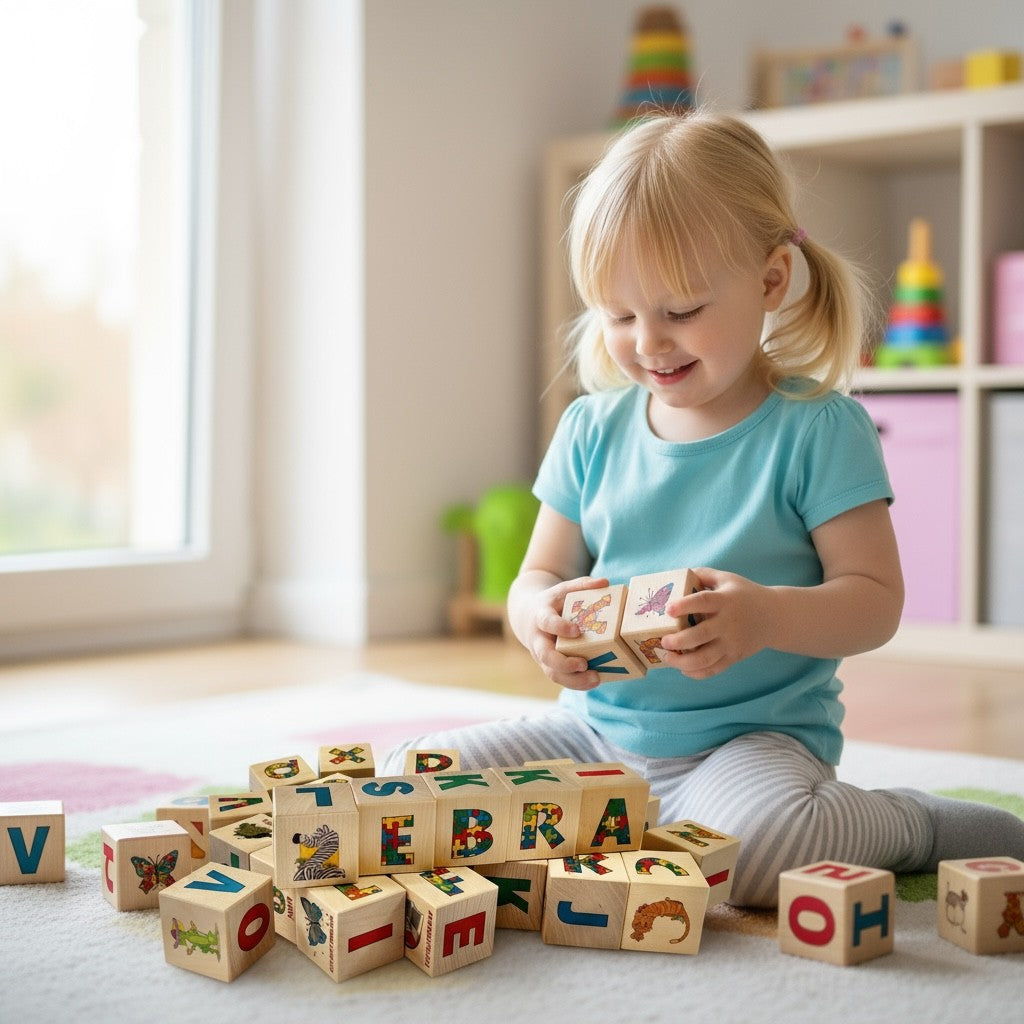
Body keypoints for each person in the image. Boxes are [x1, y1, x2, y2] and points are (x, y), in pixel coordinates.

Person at [381, 111, 1024, 907]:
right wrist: (538, 620)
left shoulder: (817, 428)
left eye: (680, 311)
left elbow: (875, 603)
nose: (648, 342)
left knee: (754, 859)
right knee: (405, 785)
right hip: (593, 735)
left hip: (749, 748)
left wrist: (766, 617)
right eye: (619, 315)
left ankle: (911, 823)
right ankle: (628, 828)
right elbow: (537, 573)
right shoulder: (592, 426)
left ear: (770, 280)